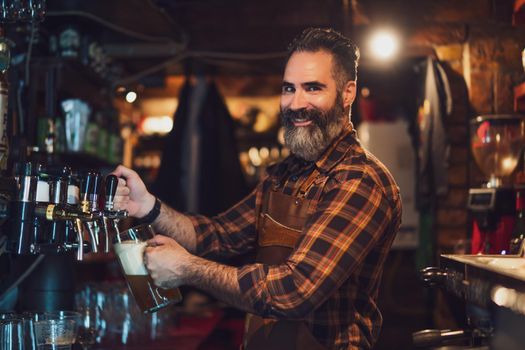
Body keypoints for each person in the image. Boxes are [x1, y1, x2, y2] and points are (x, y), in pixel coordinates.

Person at [113, 27, 402, 350]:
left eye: (313, 88)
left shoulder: (360, 181)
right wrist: (149, 207)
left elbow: (295, 292)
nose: (296, 103)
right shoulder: (286, 175)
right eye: (289, 88)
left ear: (347, 93)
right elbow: (219, 235)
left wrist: (187, 269)